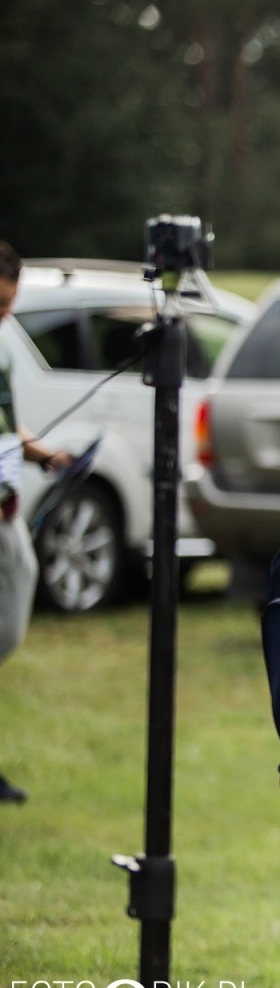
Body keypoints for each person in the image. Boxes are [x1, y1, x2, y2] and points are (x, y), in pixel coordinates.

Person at [0, 242, 72, 804]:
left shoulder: (3, 340)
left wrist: (43, 454)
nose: (6, 315)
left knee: (11, 619)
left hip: (7, 505)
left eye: (10, 304)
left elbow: (6, 424)